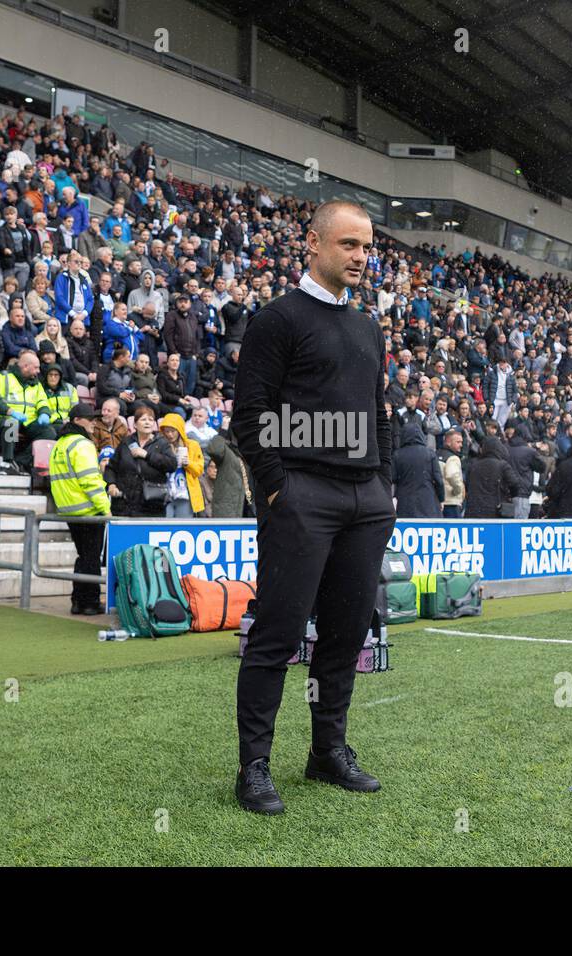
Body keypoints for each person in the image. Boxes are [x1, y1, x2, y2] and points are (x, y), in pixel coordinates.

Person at [231, 199, 395, 815]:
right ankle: (254, 768)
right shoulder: (277, 319)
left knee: (345, 635)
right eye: (349, 245)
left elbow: (379, 411)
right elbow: (249, 415)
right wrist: (278, 490)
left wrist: (381, 487)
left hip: (364, 503)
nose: (360, 257)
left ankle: (327, 751)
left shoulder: (368, 326)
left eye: (367, 247)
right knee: (275, 636)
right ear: (315, 244)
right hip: (301, 497)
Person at [47, 402, 110, 615]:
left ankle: (78, 601)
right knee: (91, 558)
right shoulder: (82, 444)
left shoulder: (59, 444)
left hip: (69, 510)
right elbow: (90, 481)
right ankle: (90, 603)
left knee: (83, 556)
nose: (94, 422)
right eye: (89, 418)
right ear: (76, 421)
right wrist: (106, 508)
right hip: (88, 511)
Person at [0, 349, 55, 475]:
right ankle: (7, 462)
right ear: (25, 366)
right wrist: (10, 412)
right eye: (36, 368)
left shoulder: (36, 384)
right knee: (11, 423)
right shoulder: (1, 377)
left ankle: (18, 462)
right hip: (1, 421)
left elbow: (43, 402)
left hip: (26, 422)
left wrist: (44, 413)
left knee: (49, 432)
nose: (38, 371)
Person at [104, 404, 176, 517]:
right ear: (135, 425)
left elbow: (172, 465)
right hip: (124, 505)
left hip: (152, 505)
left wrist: (147, 455)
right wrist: (111, 484)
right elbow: (111, 467)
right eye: (143, 419)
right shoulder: (126, 443)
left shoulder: (162, 443)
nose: (147, 422)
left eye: (151, 420)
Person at [157, 412, 204, 518]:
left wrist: (188, 464)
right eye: (167, 431)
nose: (170, 434)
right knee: (164, 527)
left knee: (183, 527)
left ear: (180, 430)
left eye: (173, 431)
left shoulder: (192, 445)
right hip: (165, 494)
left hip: (185, 495)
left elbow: (199, 470)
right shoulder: (159, 445)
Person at [392, 421, 443, 518]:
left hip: (405, 501)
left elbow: (392, 478)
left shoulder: (397, 455)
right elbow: (438, 480)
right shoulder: (430, 453)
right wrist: (441, 498)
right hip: (428, 500)